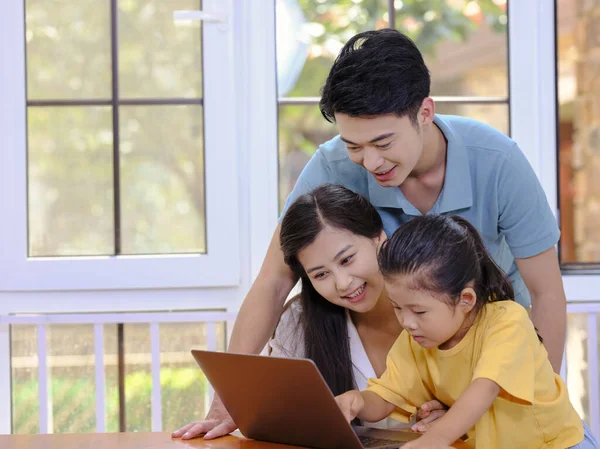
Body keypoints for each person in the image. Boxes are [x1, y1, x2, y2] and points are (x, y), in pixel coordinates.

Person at [180, 28, 567, 439]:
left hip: (493, 354)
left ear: (424, 112)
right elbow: (274, 280)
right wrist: (228, 399)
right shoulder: (332, 166)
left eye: (383, 142)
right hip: (416, 371)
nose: (370, 161)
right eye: (353, 145)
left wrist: (533, 396)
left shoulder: (499, 163)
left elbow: (546, 293)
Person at [173, 185, 446, 440]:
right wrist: (246, 411)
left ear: (379, 238)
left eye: (347, 259)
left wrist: (456, 415)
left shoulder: (438, 302)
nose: (343, 283)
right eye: (321, 274)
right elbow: (281, 418)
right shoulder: (300, 323)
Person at [335, 215, 596, 449]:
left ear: (466, 300)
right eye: (397, 307)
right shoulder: (416, 341)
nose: (407, 322)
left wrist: (435, 439)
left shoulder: (507, 322)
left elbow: (485, 388)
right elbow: (386, 396)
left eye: (419, 311)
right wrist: (357, 401)